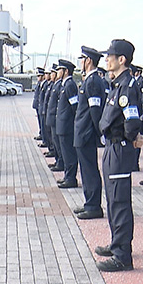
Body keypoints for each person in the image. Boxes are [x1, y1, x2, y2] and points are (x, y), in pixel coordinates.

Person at [95, 39, 142, 272]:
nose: (106, 59)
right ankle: (116, 243)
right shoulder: (117, 84)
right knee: (112, 200)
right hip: (111, 147)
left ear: (121, 59)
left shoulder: (127, 86)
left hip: (120, 147)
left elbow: (132, 121)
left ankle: (123, 255)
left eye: (110, 56)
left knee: (120, 202)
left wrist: (129, 138)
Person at [73, 46, 106, 219]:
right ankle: (89, 203)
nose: (80, 62)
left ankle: (94, 206)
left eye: (82, 59)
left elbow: (95, 111)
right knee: (86, 170)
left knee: (90, 170)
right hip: (82, 132)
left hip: (86, 133)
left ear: (89, 61)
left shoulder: (93, 81)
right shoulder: (89, 80)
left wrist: (98, 132)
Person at [55, 59, 79, 188]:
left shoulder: (70, 85)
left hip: (67, 126)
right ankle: (67, 176)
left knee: (69, 153)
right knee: (65, 152)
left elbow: (74, 106)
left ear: (66, 71)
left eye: (60, 70)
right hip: (62, 125)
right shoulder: (65, 84)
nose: (58, 72)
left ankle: (71, 178)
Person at [46, 64, 64, 171]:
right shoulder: (55, 85)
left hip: (58, 119)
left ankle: (60, 163)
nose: (53, 74)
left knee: (59, 144)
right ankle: (58, 161)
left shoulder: (60, 85)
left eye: (54, 72)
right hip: (53, 117)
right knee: (55, 141)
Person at [33, 67, 45, 141]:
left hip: (41, 106)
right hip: (38, 105)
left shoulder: (44, 84)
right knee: (40, 122)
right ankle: (41, 134)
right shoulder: (39, 84)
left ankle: (43, 135)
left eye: (39, 76)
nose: (38, 77)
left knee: (42, 123)